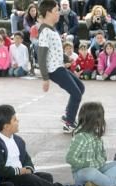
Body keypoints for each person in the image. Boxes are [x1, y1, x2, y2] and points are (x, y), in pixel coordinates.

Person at [0, 104, 84, 186]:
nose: (18, 121)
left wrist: (29, 168)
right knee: (32, 179)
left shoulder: (17, 140)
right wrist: (19, 171)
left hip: (20, 175)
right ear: (6, 126)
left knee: (47, 177)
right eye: (15, 120)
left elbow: (26, 159)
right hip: (5, 179)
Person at [39, 0, 85, 134]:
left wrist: (66, 58)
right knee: (76, 94)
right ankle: (69, 123)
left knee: (80, 88)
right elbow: (42, 56)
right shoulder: (45, 32)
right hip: (54, 70)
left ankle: (68, 116)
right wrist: (45, 78)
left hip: (60, 66)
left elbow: (56, 50)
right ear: (48, 13)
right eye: (56, 10)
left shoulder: (53, 30)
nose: (59, 13)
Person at [65, 101, 116, 186]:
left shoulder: (97, 136)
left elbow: (103, 156)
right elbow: (70, 158)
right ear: (95, 119)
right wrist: (89, 164)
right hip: (83, 173)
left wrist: (98, 163)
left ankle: (95, 184)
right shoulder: (80, 137)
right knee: (92, 173)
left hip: (99, 168)